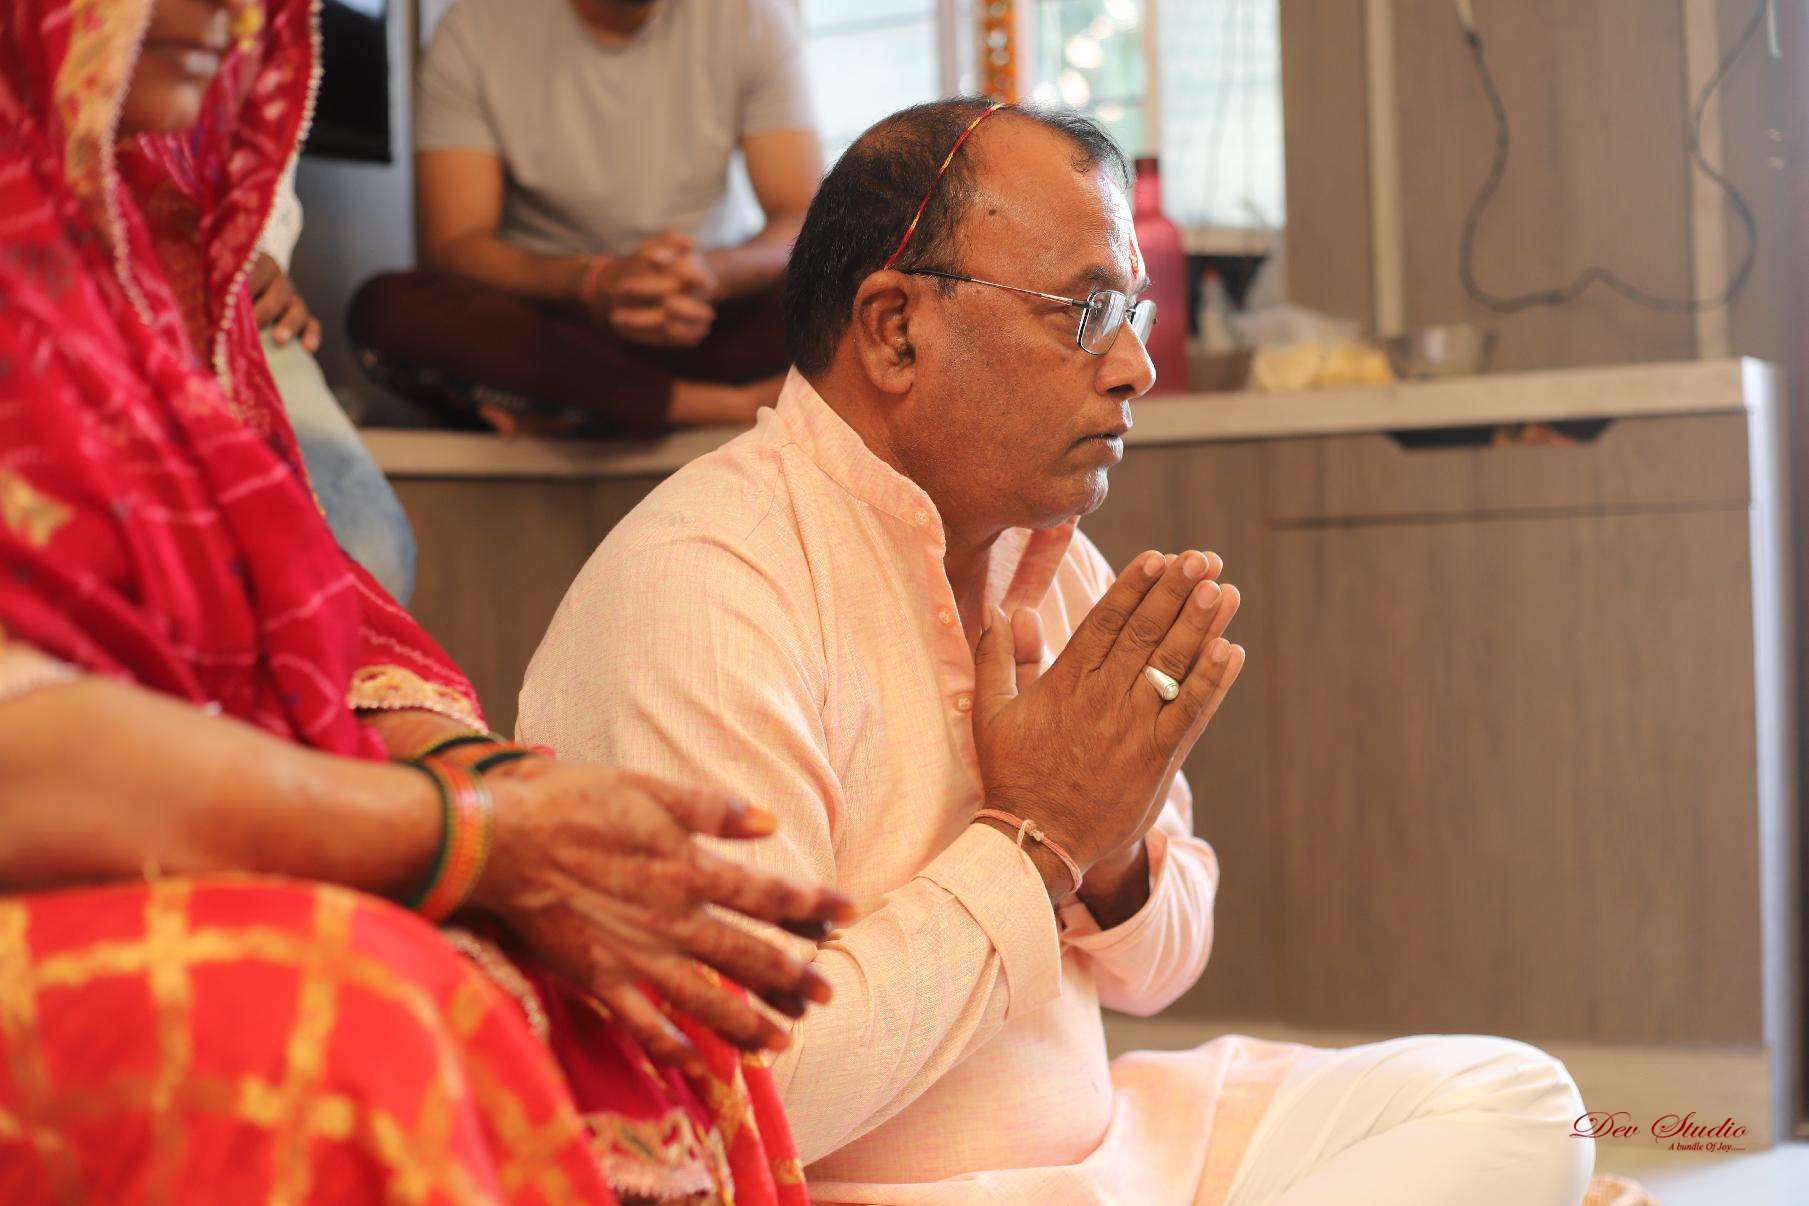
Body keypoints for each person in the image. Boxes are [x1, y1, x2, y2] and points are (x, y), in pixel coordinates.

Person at [517, 100, 1598, 1204]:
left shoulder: (1048, 558)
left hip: (1115, 1161)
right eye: (1086, 312)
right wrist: (1036, 843)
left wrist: (1109, 855)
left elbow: (1165, 967)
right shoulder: (703, 586)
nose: (1135, 367)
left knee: (1517, 1101)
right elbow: (740, 1096)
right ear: (894, 329)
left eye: (1130, 311)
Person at [0, 1, 850, 1200]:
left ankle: (665, 392)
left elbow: (303, 611)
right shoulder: (486, 33)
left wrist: (509, 791)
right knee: (365, 1024)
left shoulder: (143, 264)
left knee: (645, 985)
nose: (233, 12)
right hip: (58, 854)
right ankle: (683, 403)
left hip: (703, 311)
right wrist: (473, 836)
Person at [347, 0, 821, 437]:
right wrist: (592, 282)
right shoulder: (473, 27)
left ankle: (581, 406)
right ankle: (718, 406)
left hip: (704, 312)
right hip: (558, 326)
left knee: (842, 283)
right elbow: (455, 243)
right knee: (387, 309)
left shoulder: (752, 16)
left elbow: (800, 216)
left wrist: (711, 275)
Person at [250, 167, 420, 602]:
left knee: (371, 555)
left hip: (243, 308)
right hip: (101, 293)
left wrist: (266, 256)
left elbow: (263, 171)